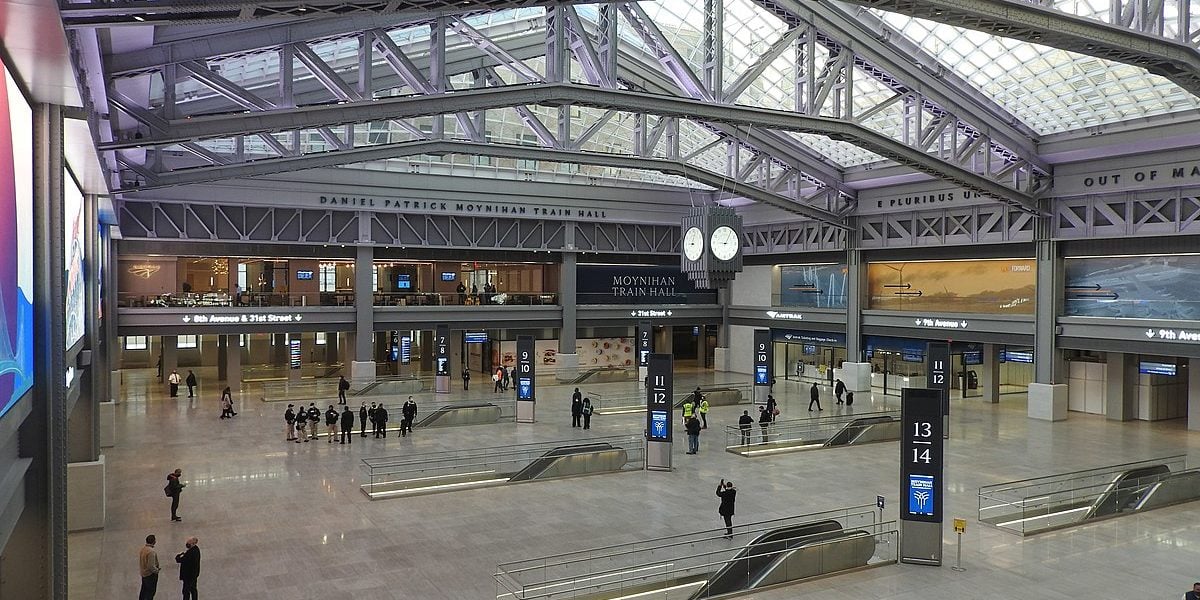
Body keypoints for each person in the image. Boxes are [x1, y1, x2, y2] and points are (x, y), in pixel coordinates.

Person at [138, 534, 160, 600]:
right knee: (150, 592)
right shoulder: (151, 552)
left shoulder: (143, 549)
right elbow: (151, 566)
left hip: (144, 573)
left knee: (144, 590)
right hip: (150, 575)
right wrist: (157, 570)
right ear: (153, 541)